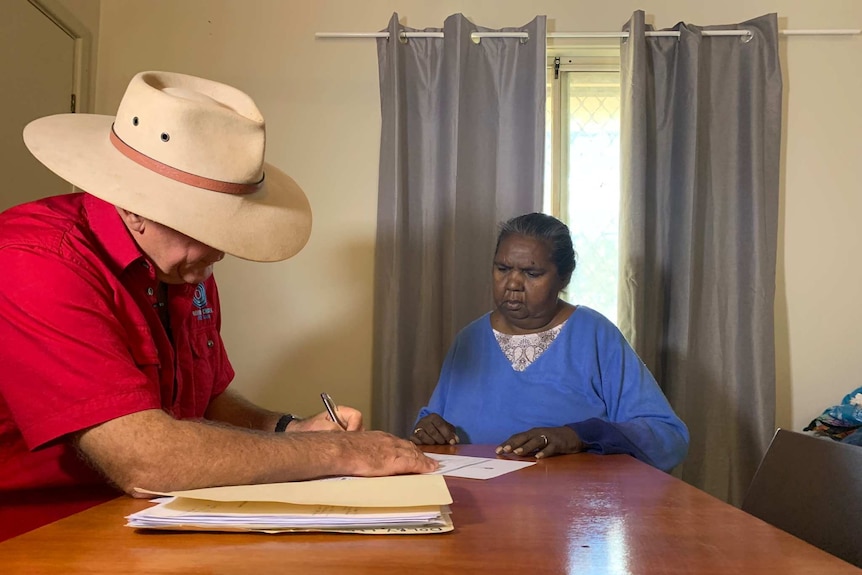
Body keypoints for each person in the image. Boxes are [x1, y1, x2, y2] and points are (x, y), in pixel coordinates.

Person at [0, 71, 436, 498]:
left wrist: (289, 428)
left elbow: (203, 401)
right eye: (203, 225)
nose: (220, 250)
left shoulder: (184, 265)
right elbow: (146, 459)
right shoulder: (34, 262)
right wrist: (339, 451)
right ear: (133, 206)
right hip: (29, 531)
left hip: (124, 518)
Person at [410, 213, 689, 472]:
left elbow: (667, 436)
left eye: (532, 274)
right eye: (503, 268)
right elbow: (433, 423)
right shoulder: (469, 340)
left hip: (569, 510)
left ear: (564, 278)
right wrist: (427, 429)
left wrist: (579, 436)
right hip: (472, 507)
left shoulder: (594, 335)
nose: (513, 283)